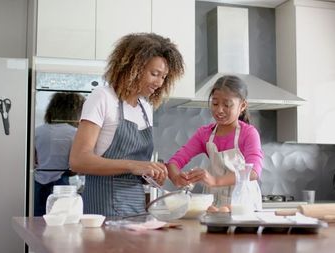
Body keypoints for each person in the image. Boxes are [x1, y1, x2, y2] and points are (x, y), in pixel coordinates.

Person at [69, 33, 185, 217]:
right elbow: (78, 160)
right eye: (154, 74)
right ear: (133, 67)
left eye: (164, 77)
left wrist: (151, 175)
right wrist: (134, 165)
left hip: (136, 209)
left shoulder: (145, 108)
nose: (159, 82)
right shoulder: (103, 97)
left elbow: (135, 170)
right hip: (102, 209)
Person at [167, 75, 263, 210]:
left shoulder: (249, 133)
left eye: (227, 105)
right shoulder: (204, 134)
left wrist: (215, 181)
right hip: (214, 206)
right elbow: (174, 162)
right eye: (215, 103)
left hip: (243, 206)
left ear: (242, 106)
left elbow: (253, 172)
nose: (219, 110)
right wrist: (177, 178)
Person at [34, 92, 85, 216]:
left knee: (37, 221)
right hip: (62, 185)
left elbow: (33, 161)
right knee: (62, 220)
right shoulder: (74, 133)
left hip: (37, 183)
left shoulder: (37, 131)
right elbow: (75, 166)